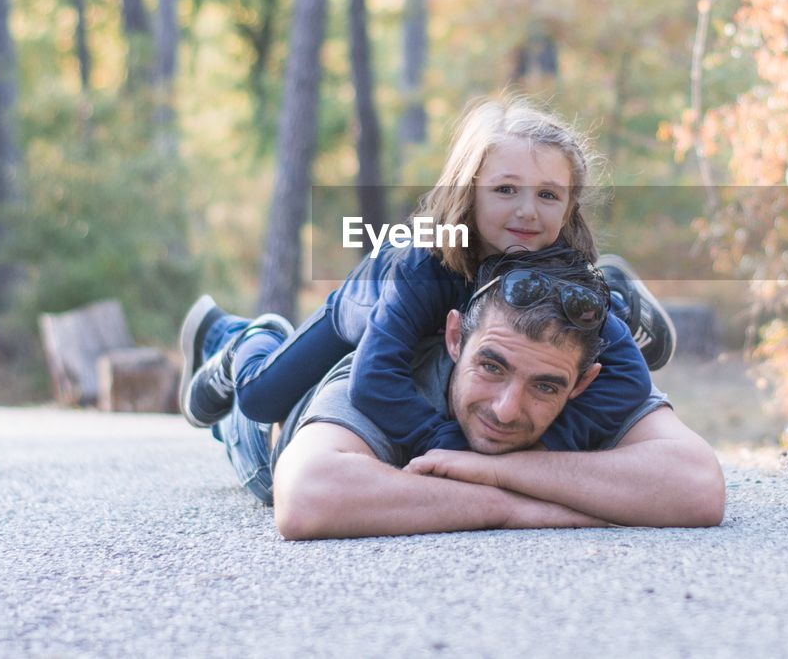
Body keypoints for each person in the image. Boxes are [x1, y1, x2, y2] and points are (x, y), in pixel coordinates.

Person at [179, 96, 677, 458]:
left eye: (548, 196)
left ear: (569, 207)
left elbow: (630, 383)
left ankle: (610, 300)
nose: (528, 212)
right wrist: (450, 445)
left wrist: (548, 445)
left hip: (509, 306)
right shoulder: (423, 263)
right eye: (506, 189)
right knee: (260, 400)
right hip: (359, 312)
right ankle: (241, 340)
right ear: (469, 191)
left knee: (580, 314)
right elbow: (374, 381)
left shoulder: (553, 265)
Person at [181, 247, 725, 539]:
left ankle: (608, 302)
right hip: (264, 434)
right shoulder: (385, 375)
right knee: (254, 390)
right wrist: (518, 509)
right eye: (491, 366)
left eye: (545, 388)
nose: (506, 409)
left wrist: (497, 470)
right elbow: (308, 497)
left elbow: (697, 484)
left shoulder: (583, 368)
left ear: (581, 383)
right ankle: (241, 338)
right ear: (454, 338)